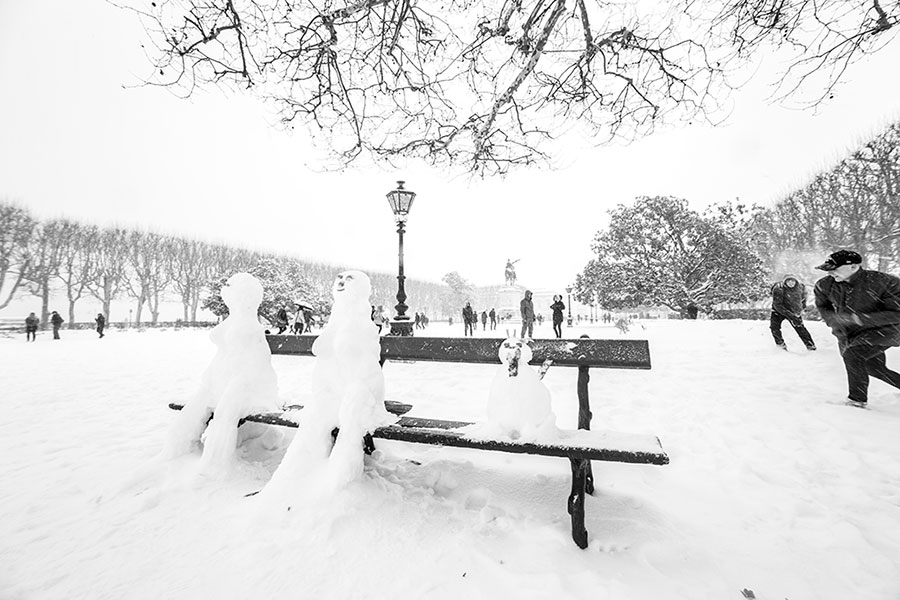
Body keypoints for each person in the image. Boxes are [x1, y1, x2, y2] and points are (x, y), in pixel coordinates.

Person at [814, 249, 900, 408]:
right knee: (874, 368)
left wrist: (860, 319)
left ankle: (856, 401)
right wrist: (834, 322)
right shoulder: (824, 285)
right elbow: (823, 307)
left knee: (853, 355)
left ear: (853, 267)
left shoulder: (886, 282)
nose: (831, 273)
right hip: (849, 333)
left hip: (887, 330)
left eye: (835, 269)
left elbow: (897, 314)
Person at [770, 275, 815, 351]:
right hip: (778, 311)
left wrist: (802, 308)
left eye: (793, 281)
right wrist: (789, 315)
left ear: (796, 282)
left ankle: (810, 346)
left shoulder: (800, 288)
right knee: (774, 327)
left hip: (793, 310)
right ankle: (781, 345)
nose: (791, 283)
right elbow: (777, 304)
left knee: (800, 328)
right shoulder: (778, 289)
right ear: (785, 282)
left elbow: (803, 298)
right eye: (789, 281)